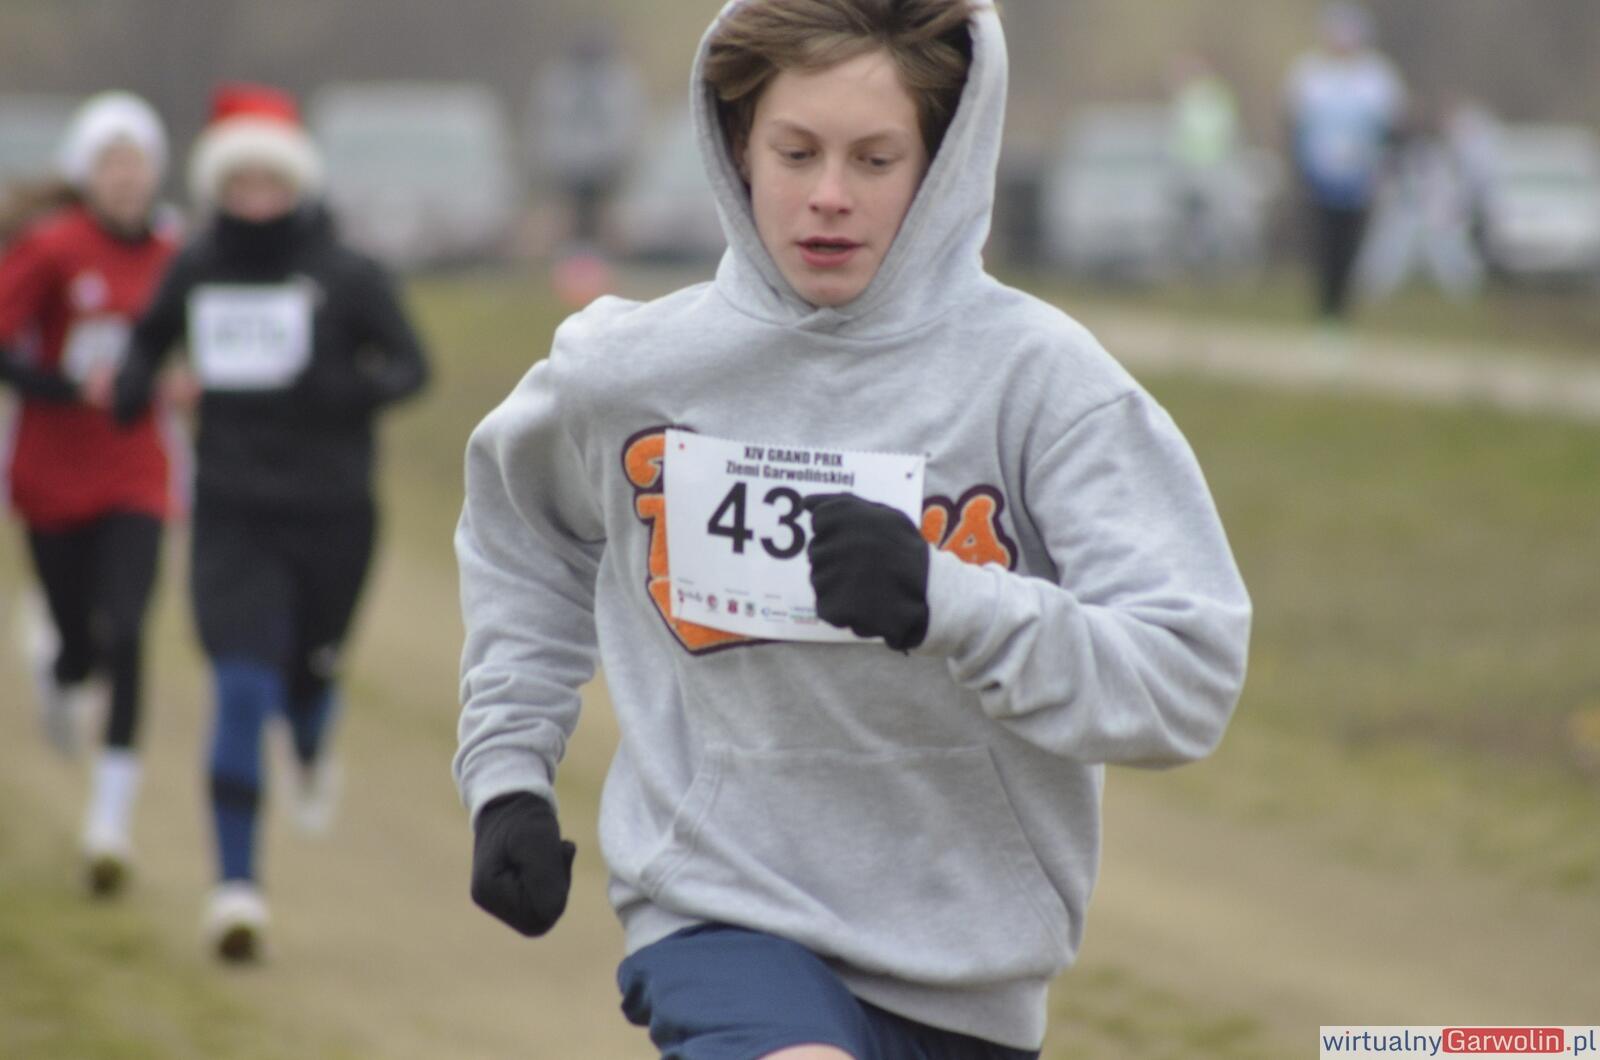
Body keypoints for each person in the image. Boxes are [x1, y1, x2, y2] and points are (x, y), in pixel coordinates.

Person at [456, 1, 1250, 1057]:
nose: (829, 195)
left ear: (942, 164)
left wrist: (948, 602)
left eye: (875, 159)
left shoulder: (1045, 386)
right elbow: (526, 537)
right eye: (796, 153)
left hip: (969, 966)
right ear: (738, 147)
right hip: (719, 910)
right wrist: (508, 773)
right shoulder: (626, 372)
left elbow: (1187, 674)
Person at [112, 82, 430, 962]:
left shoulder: (346, 273)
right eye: (239, 181)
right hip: (233, 510)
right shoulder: (199, 266)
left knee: (308, 674)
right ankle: (236, 888)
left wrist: (343, 391)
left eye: (270, 180)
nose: (255, 196)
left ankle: (315, 727)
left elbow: (412, 367)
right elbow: (145, 344)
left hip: (333, 512)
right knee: (241, 685)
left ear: (296, 182)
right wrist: (135, 387)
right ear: (218, 185)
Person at [0, 91, 181, 897]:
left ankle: (109, 823)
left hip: (136, 472)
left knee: (130, 630)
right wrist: (67, 386)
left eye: (136, 162)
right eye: (111, 162)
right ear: (86, 172)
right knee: (81, 645)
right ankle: (59, 660)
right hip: (51, 474)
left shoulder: (176, 254)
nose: (125, 177)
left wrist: (183, 381)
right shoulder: (51, 248)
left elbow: (196, 340)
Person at [1284, 2, 1406, 323]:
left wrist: (1384, 169)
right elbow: (1295, 126)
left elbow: (1391, 131)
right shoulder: (1309, 74)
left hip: (1360, 180)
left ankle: (1340, 313)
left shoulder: (1377, 78)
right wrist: (1299, 170)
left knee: (1351, 249)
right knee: (1323, 247)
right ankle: (1324, 313)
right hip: (1319, 178)